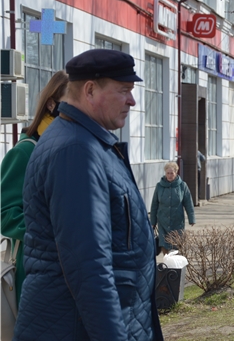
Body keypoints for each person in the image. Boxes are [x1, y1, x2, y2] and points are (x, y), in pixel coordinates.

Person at [15, 49, 163, 340]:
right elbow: (88, 266)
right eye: (124, 91)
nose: (132, 100)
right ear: (90, 90)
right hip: (76, 327)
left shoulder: (87, 142)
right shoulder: (76, 150)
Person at [1, 70, 68, 305]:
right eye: (70, 103)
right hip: (34, 270)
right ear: (52, 104)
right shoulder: (24, 152)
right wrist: (47, 235)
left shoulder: (71, 150)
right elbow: (6, 214)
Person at [150, 161, 196, 255]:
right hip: (162, 220)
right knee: (164, 243)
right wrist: (152, 222)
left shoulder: (182, 186)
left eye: (172, 173)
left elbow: (188, 203)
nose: (170, 175)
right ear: (165, 173)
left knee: (176, 244)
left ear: (176, 173)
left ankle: (175, 265)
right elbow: (154, 204)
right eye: (168, 173)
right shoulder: (159, 186)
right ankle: (167, 263)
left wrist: (192, 219)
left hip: (177, 220)